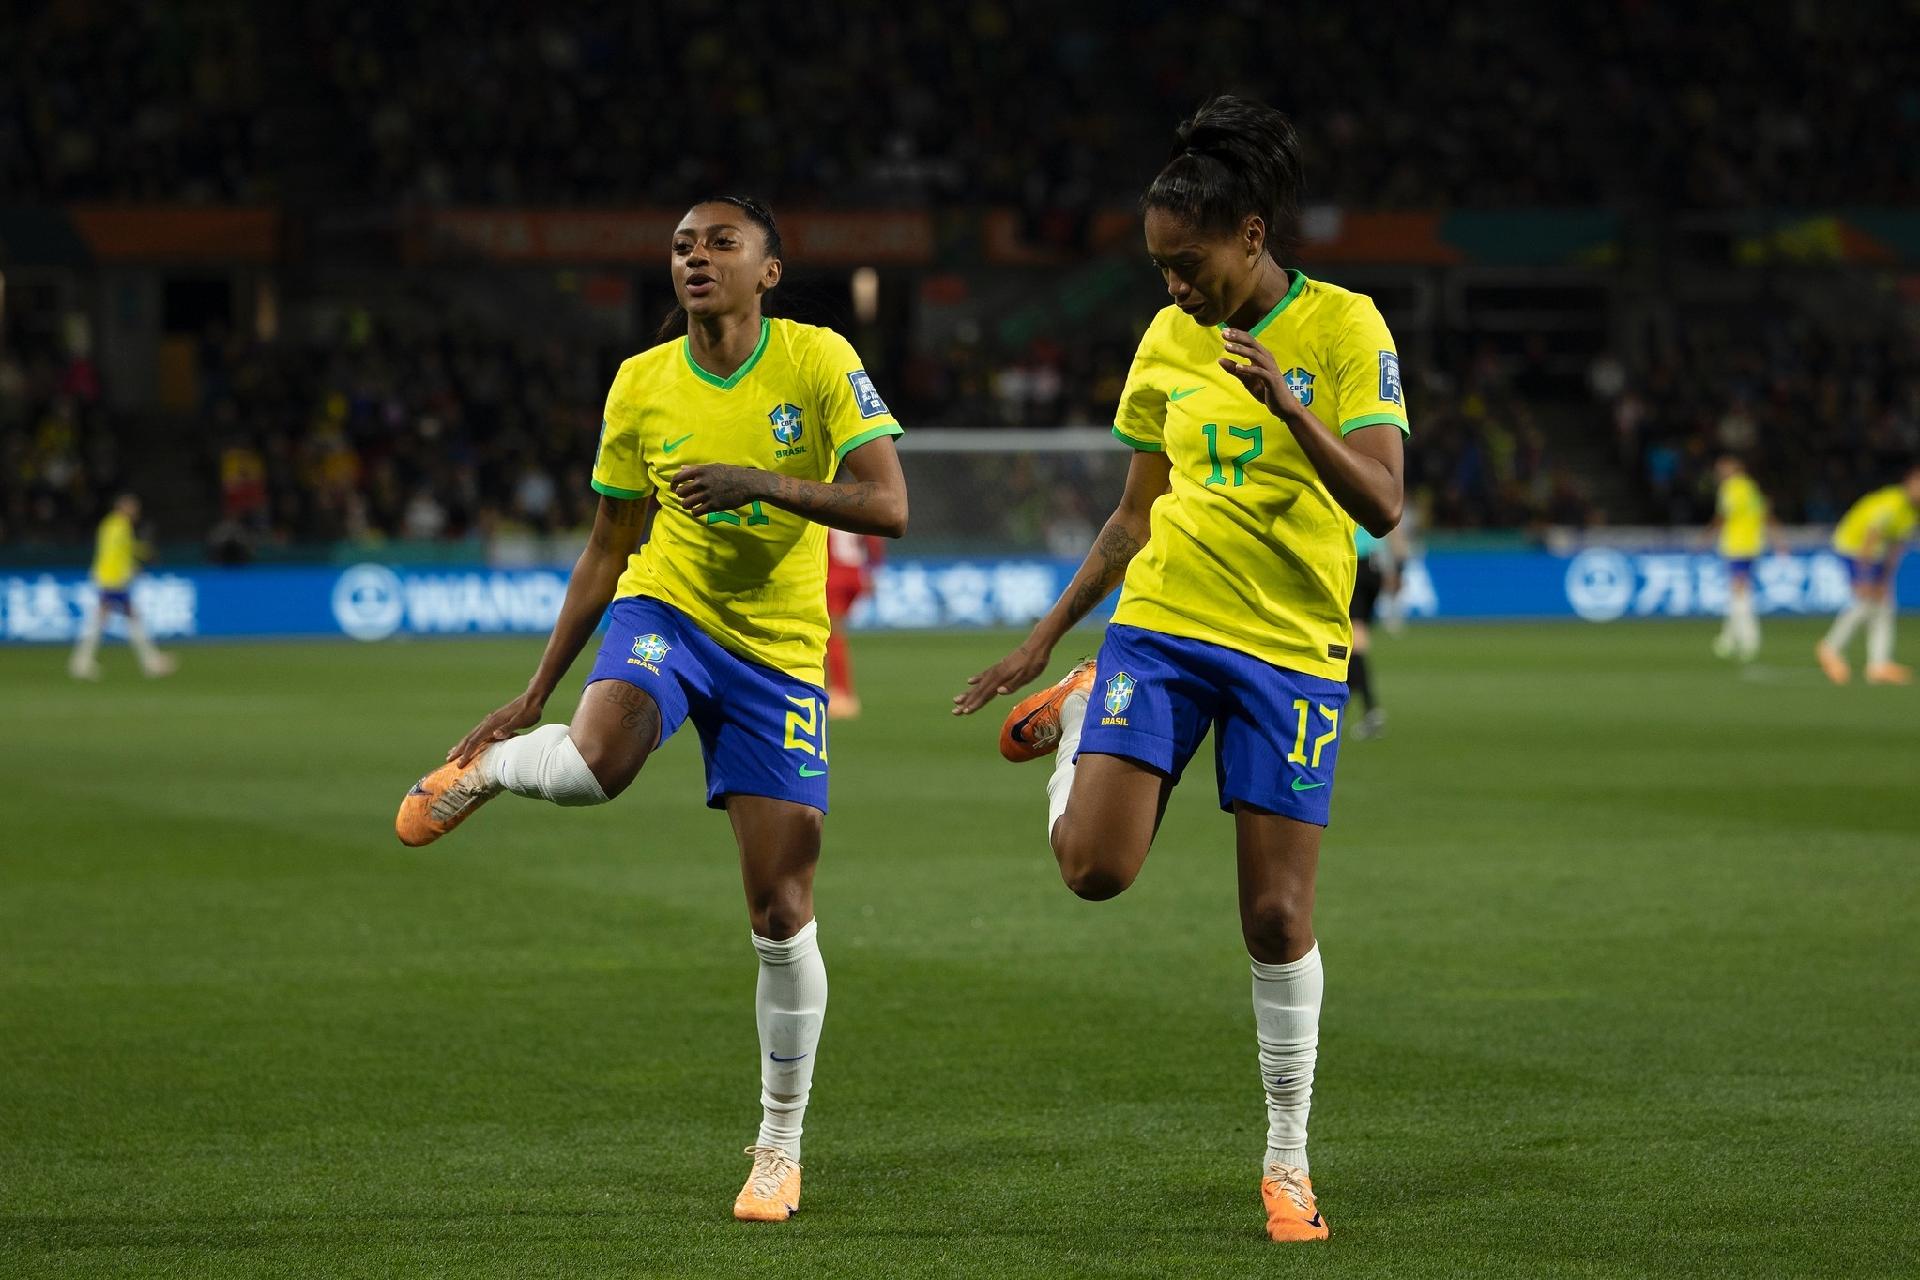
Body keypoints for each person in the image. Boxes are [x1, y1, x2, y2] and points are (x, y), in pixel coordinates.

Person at [392, 197, 908, 1221]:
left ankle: (778, 1146)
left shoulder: (815, 361)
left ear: (769, 269)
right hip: (665, 605)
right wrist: (531, 693)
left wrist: (761, 479)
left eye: (722, 242)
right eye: (682, 245)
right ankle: (491, 769)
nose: (696, 257)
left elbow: (889, 503)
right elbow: (606, 539)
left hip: (778, 649)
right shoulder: (640, 383)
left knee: (781, 909)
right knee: (591, 764)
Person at [953, 97, 1407, 1244]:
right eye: (1159, 269)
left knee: (1273, 912)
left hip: (1293, 653)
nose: (1174, 290)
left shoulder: (1349, 328)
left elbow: (1384, 502)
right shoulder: (1166, 343)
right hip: (1160, 626)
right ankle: (1079, 699)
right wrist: (1046, 636)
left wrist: (1290, 406)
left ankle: (1289, 1159)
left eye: (1187, 264)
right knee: (1095, 870)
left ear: (1251, 235)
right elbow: (1131, 514)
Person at [1817, 463, 1920, 685]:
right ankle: (1830, 648)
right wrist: (1864, 577)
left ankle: (1879, 665)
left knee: (1885, 602)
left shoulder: (1913, 512)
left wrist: (1884, 580)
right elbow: (1869, 537)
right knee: (1865, 600)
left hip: (1876, 553)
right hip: (1853, 546)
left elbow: (1896, 547)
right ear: (1909, 482)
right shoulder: (1892, 503)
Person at [68, 493, 176, 680]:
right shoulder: (119, 526)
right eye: (133, 508)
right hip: (113, 580)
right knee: (126, 619)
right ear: (123, 507)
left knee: (110, 620)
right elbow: (116, 552)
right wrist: (131, 567)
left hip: (109, 578)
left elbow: (122, 549)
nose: (136, 512)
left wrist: (136, 558)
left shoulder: (111, 525)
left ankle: (82, 662)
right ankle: (150, 662)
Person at [1708, 455, 1779, 662]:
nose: (1720, 473)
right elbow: (1764, 513)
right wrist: (1777, 539)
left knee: (1740, 594)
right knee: (1738, 593)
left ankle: (1750, 639)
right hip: (1754, 545)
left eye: (1722, 469)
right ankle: (1728, 639)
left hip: (1736, 545)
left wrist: (1706, 535)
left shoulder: (1730, 489)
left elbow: (1723, 516)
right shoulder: (1751, 487)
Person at [1348, 521, 1408, 737]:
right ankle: (1346, 706)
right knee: (1355, 643)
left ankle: (1371, 711)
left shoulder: (1341, 490)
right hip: (1375, 567)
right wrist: (1400, 569)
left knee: (1353, 642)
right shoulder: (1372, 490)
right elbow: (1394, 526)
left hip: (1352, 563)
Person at [824, 529, 885, 719]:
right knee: (834, 632)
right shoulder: (854, 504)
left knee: (832, 634)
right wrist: (874, 570)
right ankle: (839, 690)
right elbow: (874, 540)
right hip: (855, 574)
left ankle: (841, 693)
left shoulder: (822, 507)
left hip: (834, 575)